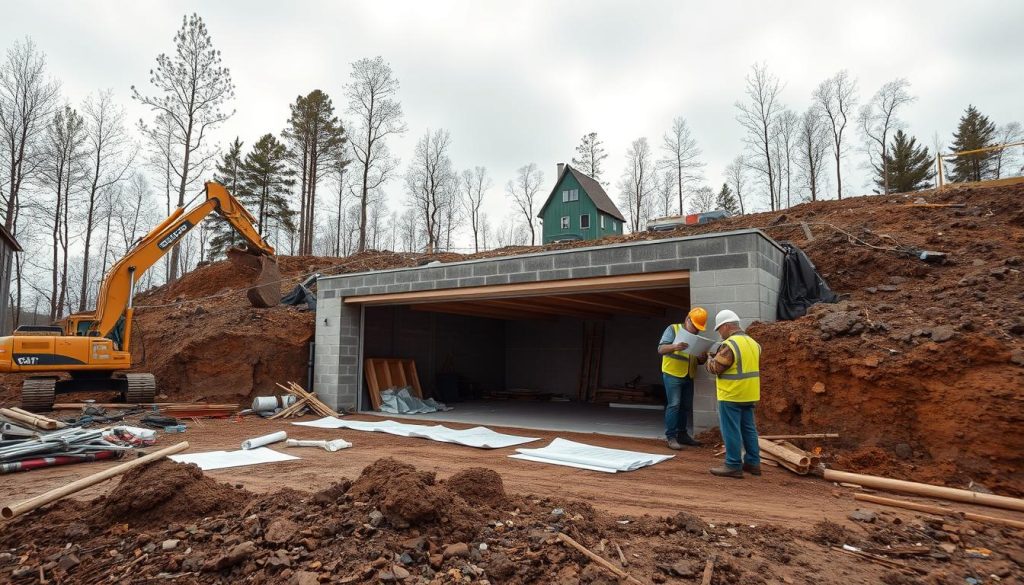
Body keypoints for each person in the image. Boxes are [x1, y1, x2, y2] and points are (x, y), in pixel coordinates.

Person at [705, 309, 762, 478]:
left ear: (727, 326)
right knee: (749, 429)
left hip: (731, 394)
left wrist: (709, 357)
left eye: (719, 329)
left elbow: (715, 368)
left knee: (731, 430)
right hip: (749, 393)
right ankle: (753, 463)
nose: (719, 333)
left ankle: (733, 465)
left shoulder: (730, 344)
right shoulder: (754, 343)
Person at [657, 307, 708, 450]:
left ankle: (682, 435)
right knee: (674, 405)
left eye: (699, 328)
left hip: (688, 375)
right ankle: (671, 437)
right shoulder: (673, 329)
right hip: (673, 373)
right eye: (695, 326)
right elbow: (661, 349)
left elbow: (696, 360)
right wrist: (675, 346)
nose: (696, 330)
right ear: (687, 319)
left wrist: (701, 359)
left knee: (685, 407)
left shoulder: (696, 337)